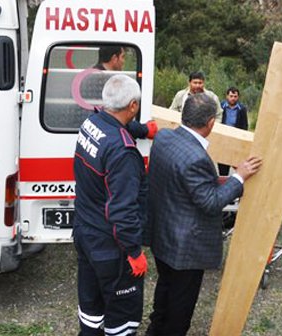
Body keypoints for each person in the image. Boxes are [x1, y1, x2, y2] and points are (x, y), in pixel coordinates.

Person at [144, 93, 263, 336]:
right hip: (185, 248)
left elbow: (179, 184)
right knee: (181, 307)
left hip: (162, 235)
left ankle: (155, 330)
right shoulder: (196, 158)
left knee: (165, 288)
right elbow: (210, 202)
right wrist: (238, 177)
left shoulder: (164, 137)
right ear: (210, 123)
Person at [73, 75, 148, 336]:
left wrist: (144, 130)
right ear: (133, 106)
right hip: (109, 246)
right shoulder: (123, 153)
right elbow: (123, 212)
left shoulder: (91, 123)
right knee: (121, 316)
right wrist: (135, 253)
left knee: (91, 308)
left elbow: (116, 125)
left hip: (85, 232)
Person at [218, 87, 249, 175]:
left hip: (235, 139)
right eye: (231, 96)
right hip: (223, 138)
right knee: (222, 165)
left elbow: (245, 125)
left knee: (237, 164)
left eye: (235, 96)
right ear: (227, 96)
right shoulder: (221, 106)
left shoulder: (242, 109)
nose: (233, 98)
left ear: (238, 97)